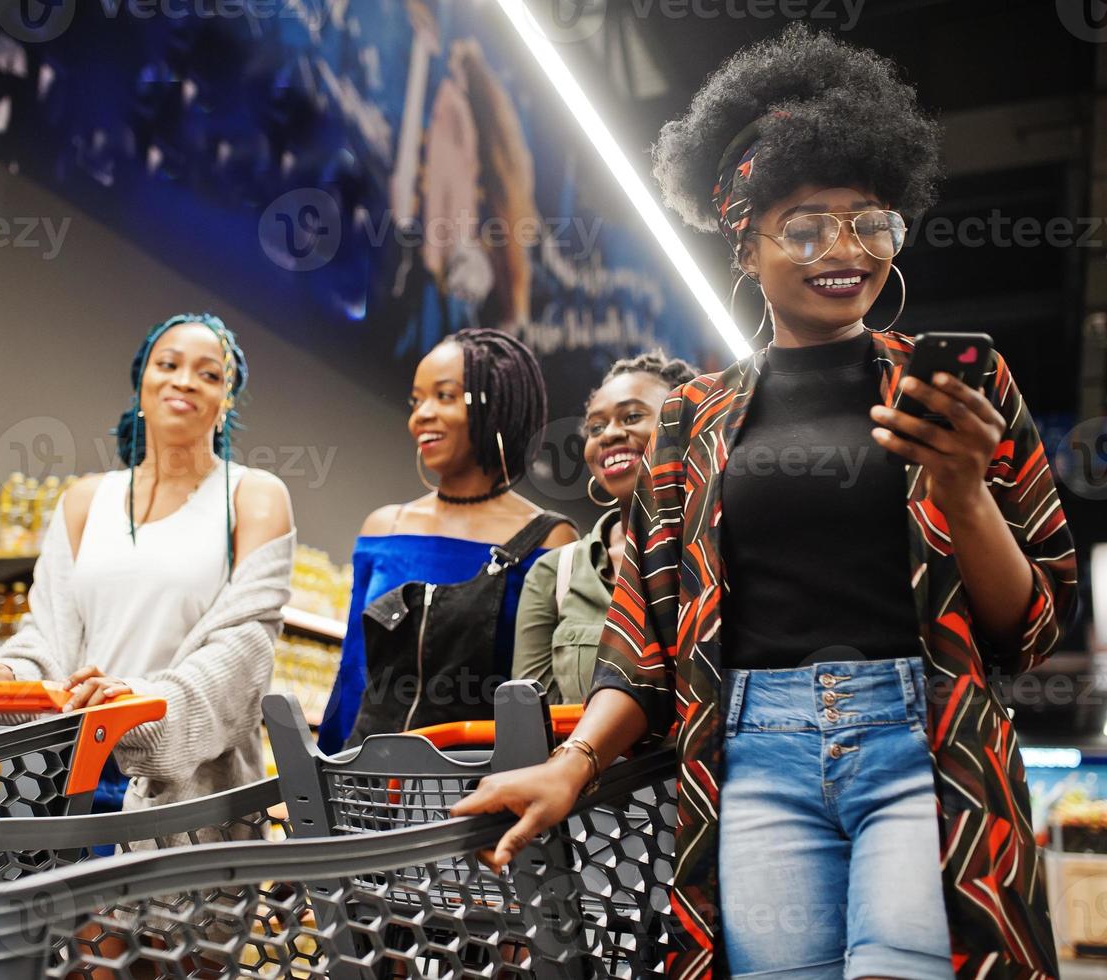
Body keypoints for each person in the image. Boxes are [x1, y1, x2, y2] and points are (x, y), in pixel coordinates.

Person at [454, 26, 1078, 980]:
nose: (844, 249)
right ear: (743, 243)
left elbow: (1029, 626)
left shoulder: (962, 385)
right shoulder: (692, 422)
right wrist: (570, 764)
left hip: (922, 747)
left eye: (869, 222)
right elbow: (644, 638)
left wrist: (961, 487)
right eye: (803, 225)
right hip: (749, 759)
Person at [0, 313, 294, 811]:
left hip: (184, 799)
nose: (184, 380)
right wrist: (5, 676)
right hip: (62, 778)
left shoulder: (254, 497)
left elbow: (243, 656)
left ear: (226, 399)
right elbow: (49, 638)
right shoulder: (84, 500)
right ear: (142, 381)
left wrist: (137, 705)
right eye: (168, 364)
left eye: (209, 373)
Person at [318, 328, 576, 753]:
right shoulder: (385, 528)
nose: (421, 415)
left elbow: (544, 690)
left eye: (444, 396)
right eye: (416, 401)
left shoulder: (549, 539)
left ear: (496, 403)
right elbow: (353, 671)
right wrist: (326, 769)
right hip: (363, 785)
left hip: (479, 789)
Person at [511, 352, 695, 704]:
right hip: (581, 759)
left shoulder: (717, 553)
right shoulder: (555, 574)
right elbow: (535, 719)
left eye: (632, 416)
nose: (609, 434)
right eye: (595, 427)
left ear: (686, 427)